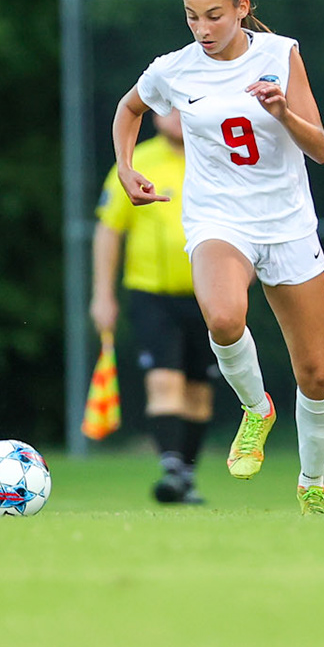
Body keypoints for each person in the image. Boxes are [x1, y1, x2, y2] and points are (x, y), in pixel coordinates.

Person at [108, 0, 324, 515]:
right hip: (219, 219)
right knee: (222, 316)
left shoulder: (279, 54)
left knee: (317, 374)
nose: (203, 28)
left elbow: (319, 149)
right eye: (191, 17)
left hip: (287, 223)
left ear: (241, 8)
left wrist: (281, 112)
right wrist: (127, 168)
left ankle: (312, 482)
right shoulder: (173, 70)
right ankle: (255, 406)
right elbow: (130, 109)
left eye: (215, 15)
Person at [91, 108, 216, 505]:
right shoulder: (137, 162)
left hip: (207, 294)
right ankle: (172, 469)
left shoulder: (215, 158)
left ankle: (186, 476)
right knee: (164, 382)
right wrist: (102, 294)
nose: (176, 117)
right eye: (168, 109)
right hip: (152, 295)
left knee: (199, 392)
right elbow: (109, 230)